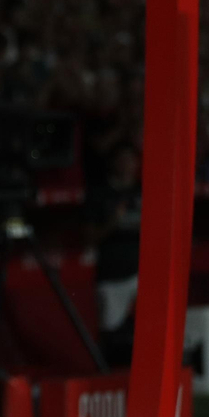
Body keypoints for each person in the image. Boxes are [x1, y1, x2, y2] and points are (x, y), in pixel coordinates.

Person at [88, 145, 143, 365]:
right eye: (122, 159)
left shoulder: (143, 191)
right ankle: (110, 378)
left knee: (146, 329)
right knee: (111, 333)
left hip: (142, 273)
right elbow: (88, 236)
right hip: (112, 273)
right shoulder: (100, 193)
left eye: (131, 159)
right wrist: (113, 222)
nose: (127, 165)